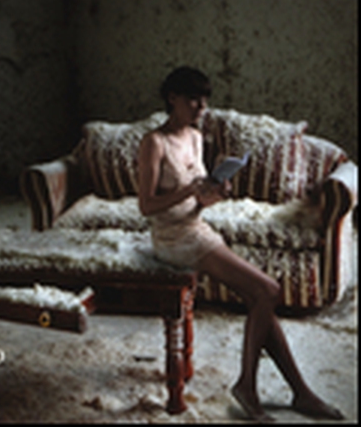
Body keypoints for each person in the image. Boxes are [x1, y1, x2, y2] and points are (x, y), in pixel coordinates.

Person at [137, 65, 344, 423]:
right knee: (268, 290)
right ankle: (247, 386)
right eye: (194, 99)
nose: (202, 107)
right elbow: (146, 206)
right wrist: (188, 190)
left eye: (205, 100)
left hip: (196, 227)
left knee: (259, 297)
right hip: (172, 238)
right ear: (172, 98)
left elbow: (199, 201)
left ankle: (301, 393)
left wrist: (215, 193)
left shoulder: (196, 137)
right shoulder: (154, 142)